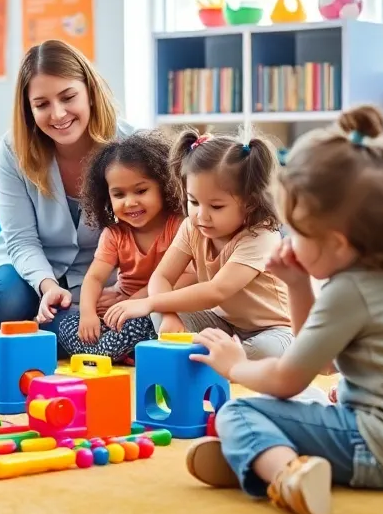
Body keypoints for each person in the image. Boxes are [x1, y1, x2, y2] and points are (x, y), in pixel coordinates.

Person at [184, 105, 383, 514]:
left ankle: (286, 474)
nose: (289, 240)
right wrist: (297, 284)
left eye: (298, 232)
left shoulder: (350, 291)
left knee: (239, 411)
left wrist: (234, 367)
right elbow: (320, 363)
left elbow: (287, 379)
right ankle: (266, 454)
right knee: (314, 398)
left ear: (338, 243)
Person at [0, 40, 137, 349]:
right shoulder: (12, 150)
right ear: (28, 109)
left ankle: (16, 335)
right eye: (42, 104)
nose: (58, 114)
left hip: (97, 273)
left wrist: (127, 289)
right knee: (5, 307)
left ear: (89, 91)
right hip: (27, 264)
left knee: (99, 324)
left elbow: (154, 231)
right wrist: (46, 285)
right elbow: (20, 238)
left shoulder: (130, 146)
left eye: (68, 97)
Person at [104, 129, 293, 360]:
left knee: (265, 351)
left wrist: (150, 302)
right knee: (159, 316)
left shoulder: (261, 236)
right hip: (223, 322)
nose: (201, 216)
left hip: (273, 329)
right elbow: (162, 278)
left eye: (216, 206)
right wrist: (169, 314)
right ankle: (210, 354)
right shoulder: (192, 227)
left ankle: (206, 353)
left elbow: (217, 291)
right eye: (193, 201)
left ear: (250, 203)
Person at [52, 130, 184, 361]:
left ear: (164, 186)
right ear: (106, 197)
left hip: (161, 306)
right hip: (123, 309)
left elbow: (186, 278)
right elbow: (94, 278)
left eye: (141, 191)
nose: (130, 202)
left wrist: (136, 303)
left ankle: (114, 350)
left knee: (151, 322)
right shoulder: (114, 235)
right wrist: (88, 314)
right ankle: (120, 350)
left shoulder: (179, 226)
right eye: (118, 194)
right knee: (66, 323)